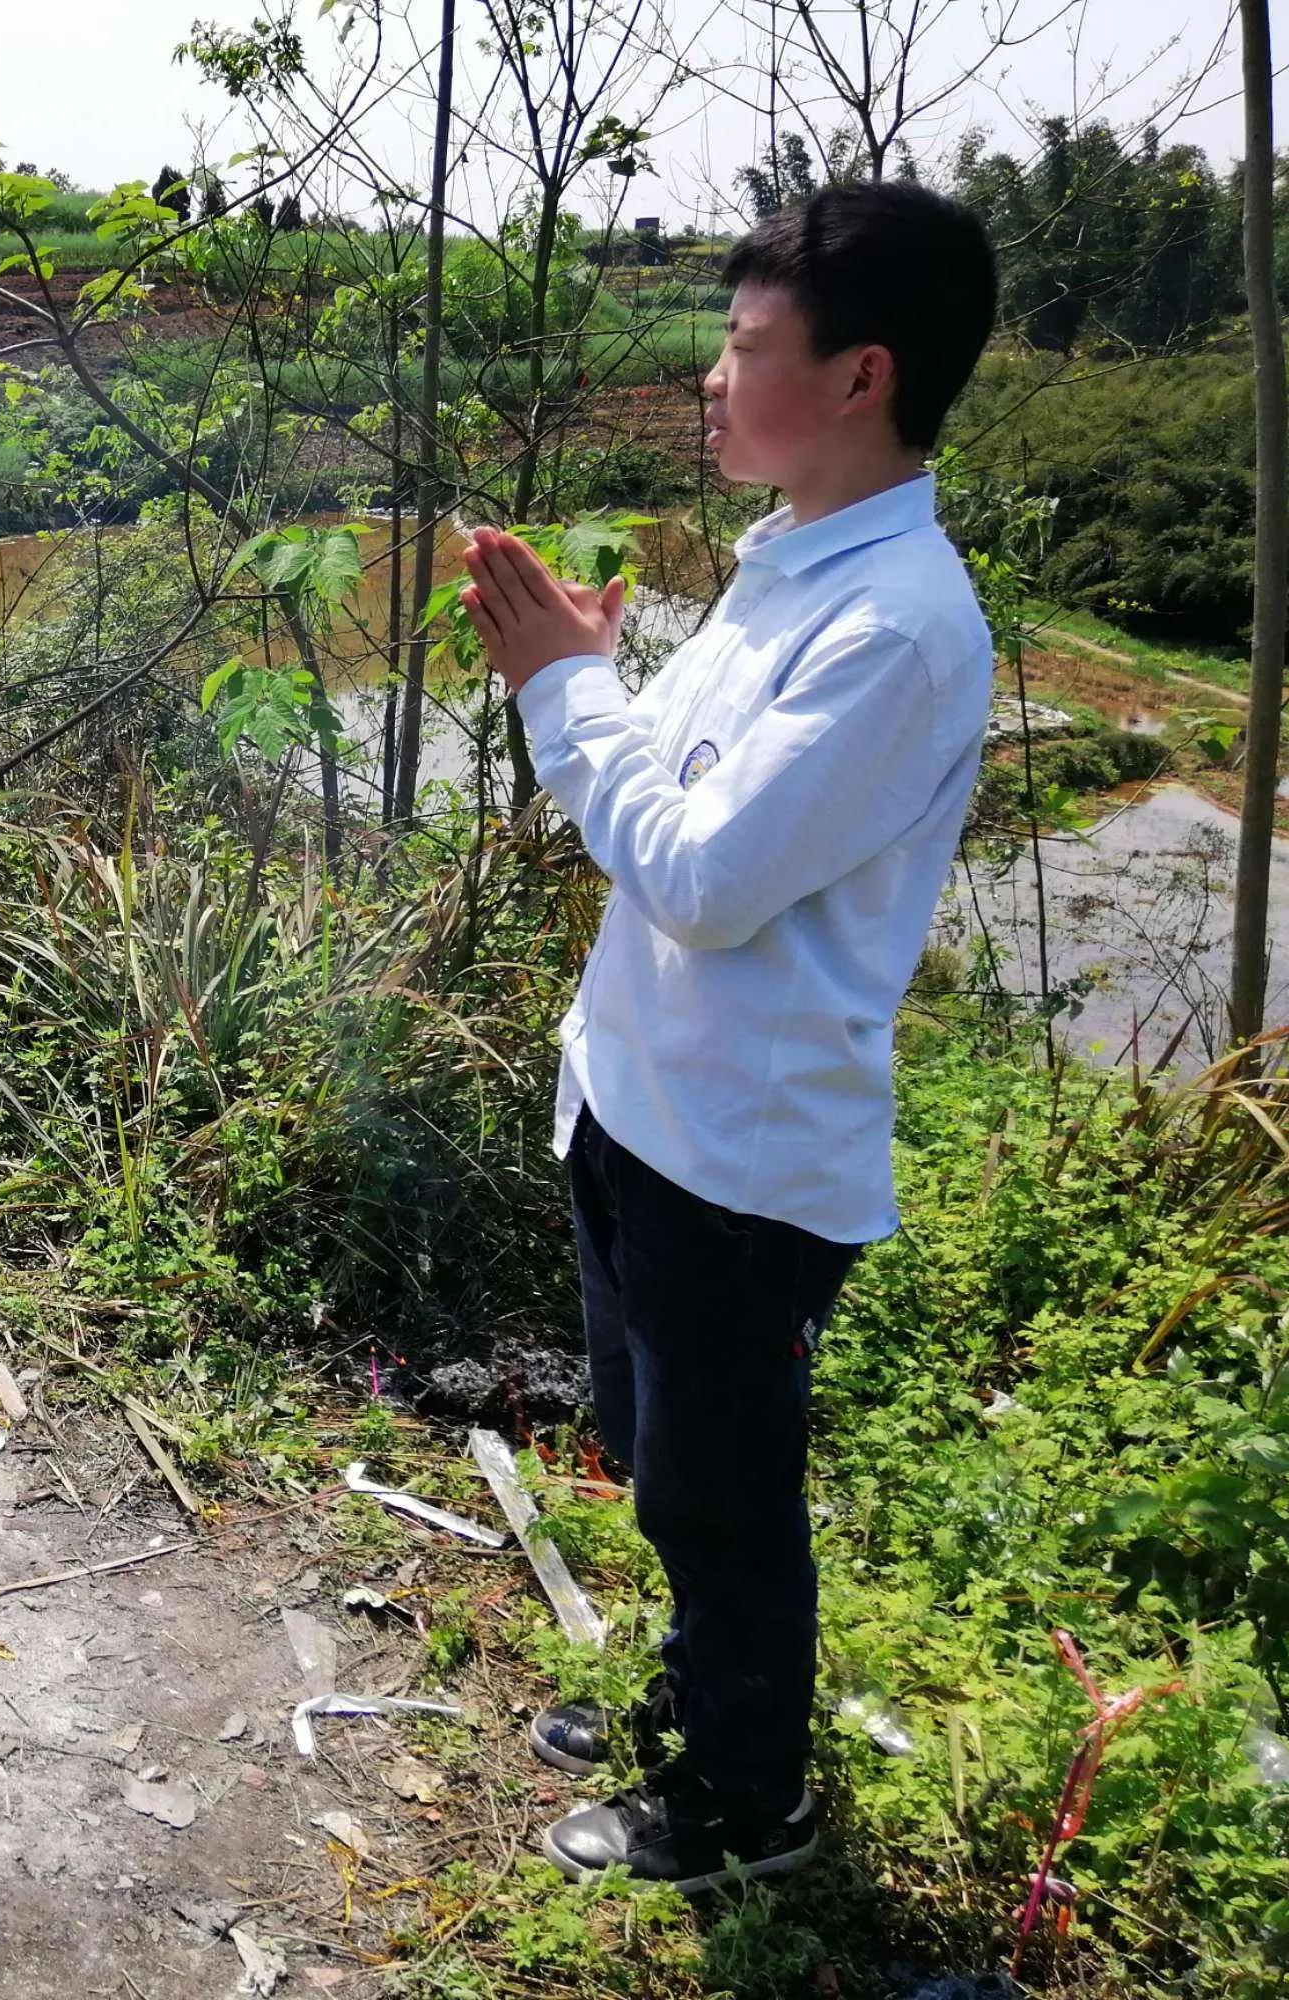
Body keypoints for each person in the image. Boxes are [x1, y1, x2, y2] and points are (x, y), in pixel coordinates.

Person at [454, 181, 1000, 1890]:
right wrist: (604, 675)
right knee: (653, 1444)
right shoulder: (784, 575)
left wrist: (564, 689)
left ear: (861, 376)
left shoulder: (896, 630)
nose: (711, 374)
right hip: (642, 1104)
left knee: (724, 1493)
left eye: (746, 344)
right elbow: (674, 793)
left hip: (743, 1162)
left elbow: (697, 875)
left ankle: (748, 1801)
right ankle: (693, 1694)